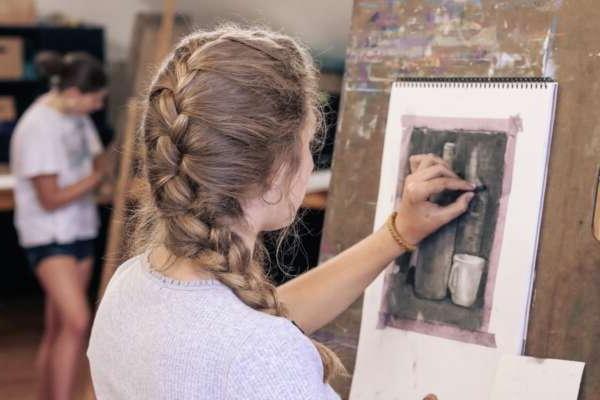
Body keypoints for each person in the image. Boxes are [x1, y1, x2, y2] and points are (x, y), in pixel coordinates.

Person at [87, 26, 475, 399]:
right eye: (308, 144)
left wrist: (398, 233)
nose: (310, 164)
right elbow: (254, 347)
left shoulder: (129, 286)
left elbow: (252, 322)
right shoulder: (263, 357)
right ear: (274, 175)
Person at [10, 51, 108, 400]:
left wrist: (97, 174)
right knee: (78, 322)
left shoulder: (76, 118)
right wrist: (96, 179)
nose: (97, 106)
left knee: (59, 329)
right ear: (73, 93)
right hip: (49, 236)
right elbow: (50, 197)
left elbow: (97, 157)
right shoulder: (37, 126)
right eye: (94, 99)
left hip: (79, 229)